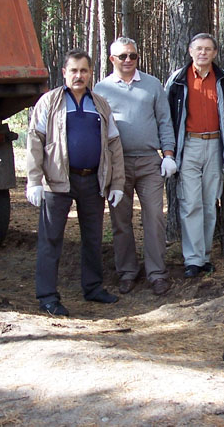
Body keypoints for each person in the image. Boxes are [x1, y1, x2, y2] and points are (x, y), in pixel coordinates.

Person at [26, 49, 125, 317]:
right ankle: (47, 296)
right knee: (51, 239)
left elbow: (114, 144)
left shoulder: (100, 104)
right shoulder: (50, 102)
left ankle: (93, 288)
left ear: (91, 73)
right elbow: (35, 140)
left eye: (84, 70)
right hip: (58, 180)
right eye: (74, 70)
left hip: (92, 179)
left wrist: (116, 183)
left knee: (92, 237)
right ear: (64, 73)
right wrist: (34, 180)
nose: (79, 76)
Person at [94, 37, 176, 296]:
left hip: (150, 162)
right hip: (117, 165)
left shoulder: (152, 85)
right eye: (122, 56)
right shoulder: (101, 88)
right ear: (112, 59)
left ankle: (157, 273)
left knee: (154, 218)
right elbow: (97, 128)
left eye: (133, 55)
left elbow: (164, 121)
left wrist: (169, 154)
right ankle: (127, 271)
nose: (128, 60)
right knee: (120, 220)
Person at [166, 33, 224, 278]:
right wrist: (168, 152)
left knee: (210, 204)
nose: (203, 53)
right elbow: (166, 118)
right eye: (198, 49)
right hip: (188, 146)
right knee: (190, 203)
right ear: (190, 51)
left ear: (215, 53)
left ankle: (205, 256)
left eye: (208, 49)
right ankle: (192, 260)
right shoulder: (177, 80)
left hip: (215, 146)